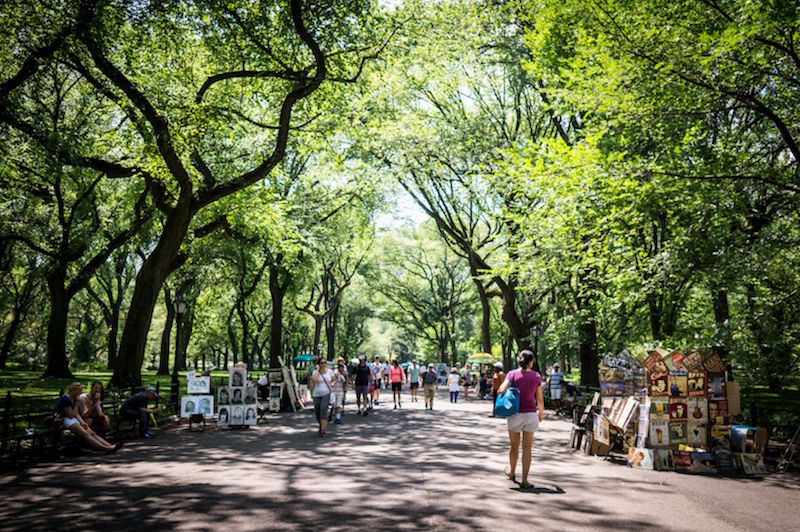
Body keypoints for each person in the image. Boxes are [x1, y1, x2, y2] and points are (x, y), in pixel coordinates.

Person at [497, 350, 544, 489]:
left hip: (515, 414)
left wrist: (506, 389)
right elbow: (540, 399)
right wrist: (540, 413)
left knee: (514, 446)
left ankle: (512, 472)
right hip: (531, 414)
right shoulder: (536, 376)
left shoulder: (512, 374)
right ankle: (525, 480)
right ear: (531, 362)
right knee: (527, 448)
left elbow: (501, 390)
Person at [57, 383, 121, 453]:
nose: (81, 393)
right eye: (79, 391)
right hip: (65, 420)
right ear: (74, 390)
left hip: (73, 419)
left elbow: (76, 414)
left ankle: (110, 446)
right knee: (86, 434)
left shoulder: (74, 398)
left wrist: (82, 422)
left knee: (92, 433)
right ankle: (107, 449)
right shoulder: (66, 399)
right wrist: (76, 404)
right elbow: (70, 415)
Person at [311, 359, 336, 436]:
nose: (324, 364)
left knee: (323, 410)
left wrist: (332, 384)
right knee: (318, 412)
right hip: (317, 394)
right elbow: (314, 380)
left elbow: (334, 380)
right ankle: (320, 424)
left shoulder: (330, 371)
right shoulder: (315, 372)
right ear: (319, 364)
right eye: (322, 363)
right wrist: (317, 370)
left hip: (326, 393)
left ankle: (323, 429)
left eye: (325, 362)